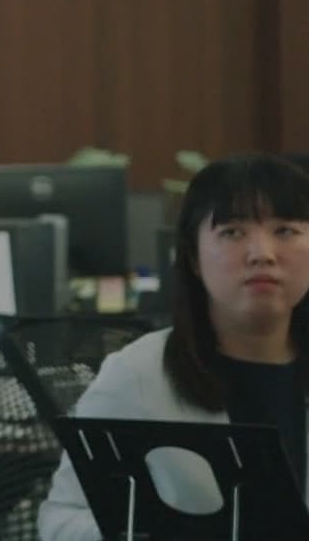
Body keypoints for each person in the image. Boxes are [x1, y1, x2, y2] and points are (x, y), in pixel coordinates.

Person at [40, 154, 309, 540]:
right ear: (193, 257)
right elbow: (61, 519)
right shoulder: (138, 374)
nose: (262, 253)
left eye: (285, 230)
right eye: (233, 232)